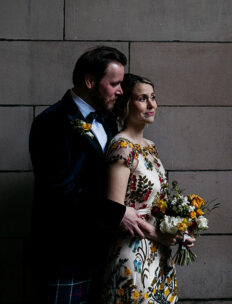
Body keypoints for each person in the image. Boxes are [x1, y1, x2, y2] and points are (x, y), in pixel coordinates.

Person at [29, 46, 155, 303]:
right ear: (90, 81)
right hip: (66, 254)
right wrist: (117, 213)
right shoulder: (51, 123)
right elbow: (60, 191)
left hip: (105, 251)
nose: (121, 91)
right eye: (115, 83)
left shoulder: (108, 119)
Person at [102, 74, 194, 303]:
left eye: (153, 97)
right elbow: (115, 210)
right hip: (133, 254)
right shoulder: (122, 146)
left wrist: (178, 232)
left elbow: (155, 203)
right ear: (125, 104)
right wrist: (160, 236)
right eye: (142, 99)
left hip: (159, 253)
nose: (152, 104)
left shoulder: (149, 146)